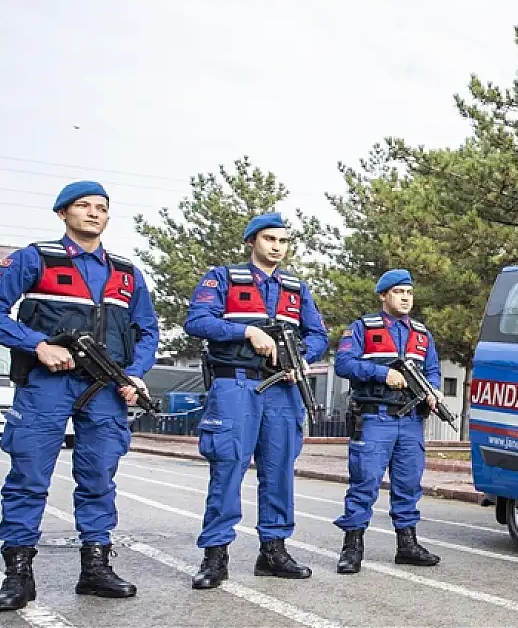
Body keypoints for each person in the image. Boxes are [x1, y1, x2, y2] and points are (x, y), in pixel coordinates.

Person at [0, 181, 159, 612]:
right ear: (62, 213)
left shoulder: (127, 272)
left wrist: (136, 374)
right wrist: (37, 345)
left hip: (105, 388)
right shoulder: (36, 258)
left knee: (99, 477)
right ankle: (18, 574)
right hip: (46, 384)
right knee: (29, 476)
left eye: (101, 207)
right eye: (83, 206)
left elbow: (147, 330)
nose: (93, 213)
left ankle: (95, 568)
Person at [184, 212, 329, 590]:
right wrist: (246, 331)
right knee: (228, 467)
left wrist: (302, 358)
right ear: (252, 241)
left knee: (279, 470)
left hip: (283, 388)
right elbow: (197, 321)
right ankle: (215, 555)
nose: (276, 247)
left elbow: (318, 334)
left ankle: (274, 551)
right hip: (237, 385)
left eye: (282, 240)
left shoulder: (296, 288)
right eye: (269, 239)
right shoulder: (223, 278)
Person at [332, 268, 441, 574]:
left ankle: (407, 545)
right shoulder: (363, 328)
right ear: (383, 295)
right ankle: (352, 547)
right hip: (375, 417)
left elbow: (432, 369)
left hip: (411, 420)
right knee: (364, 482)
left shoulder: (422, 334)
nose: (405, 298)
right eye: (398, 292)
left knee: (408, 483)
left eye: (409, 292)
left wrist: (433, 390)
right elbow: (343, 364)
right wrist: (382, 373)